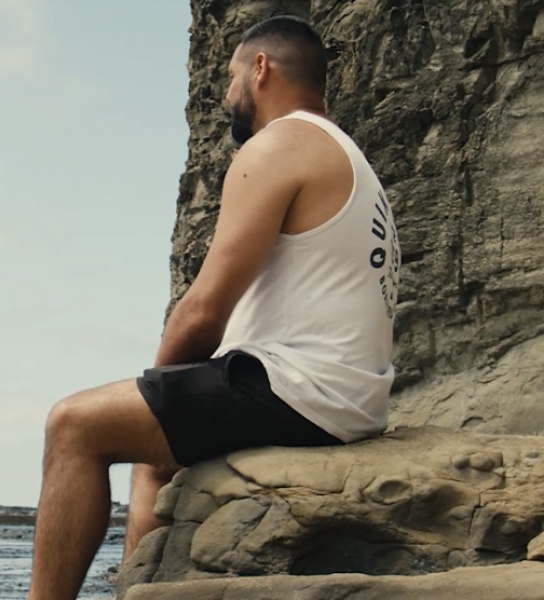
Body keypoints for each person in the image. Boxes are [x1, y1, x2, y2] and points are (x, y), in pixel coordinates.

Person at [26, 16, 400, 600]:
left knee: (72, 425)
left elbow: (203, 309)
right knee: (150, 461)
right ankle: (137, 591)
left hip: (298, 392)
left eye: (230, 76)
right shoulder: (348, 158)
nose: (227, 95)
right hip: (346, 398)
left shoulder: (280, 144)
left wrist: (155, 386)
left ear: (260, 69)